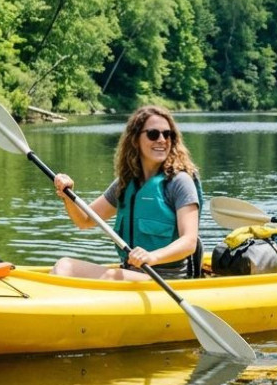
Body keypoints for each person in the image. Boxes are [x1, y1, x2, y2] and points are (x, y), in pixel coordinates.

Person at [50, 106, 202, 281]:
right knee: (63, 267)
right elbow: (84, 220)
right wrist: (67, 195)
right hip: (132, 275)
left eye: (168, 135)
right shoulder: (126, 183)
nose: (162, 140)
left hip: (165, 281)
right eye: (153, 134)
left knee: (64, 266)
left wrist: (153, 257)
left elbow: (189, 242)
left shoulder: (180, 182)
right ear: (136, 139)